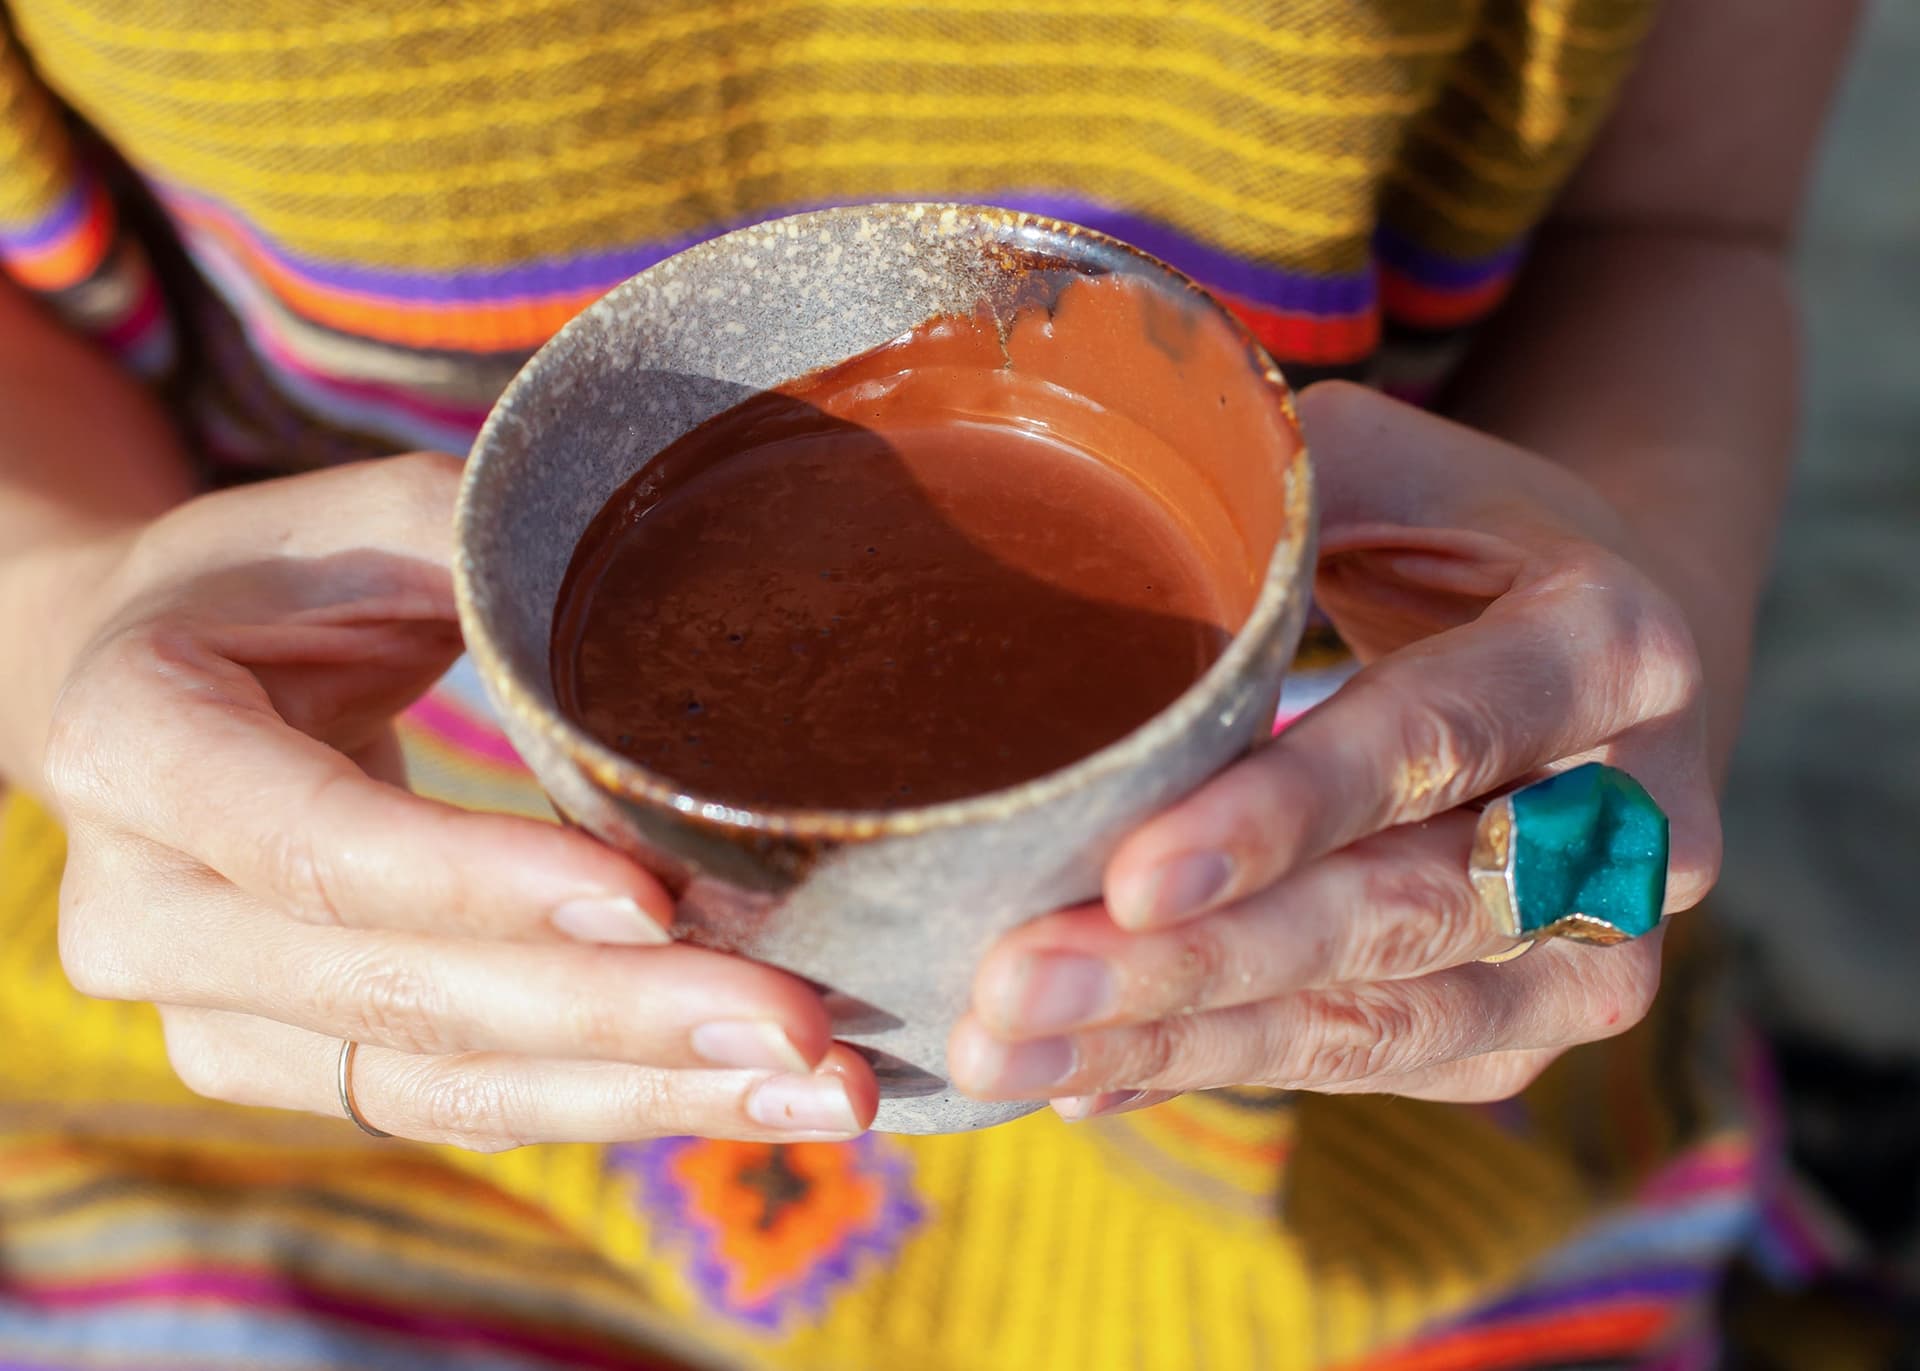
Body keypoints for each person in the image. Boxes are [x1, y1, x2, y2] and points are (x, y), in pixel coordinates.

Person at [0, 1, 1858, 1367]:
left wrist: (1618, 689)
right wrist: (74, 616)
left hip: (1365, 1000)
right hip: (297, 998)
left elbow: (1675, 231)